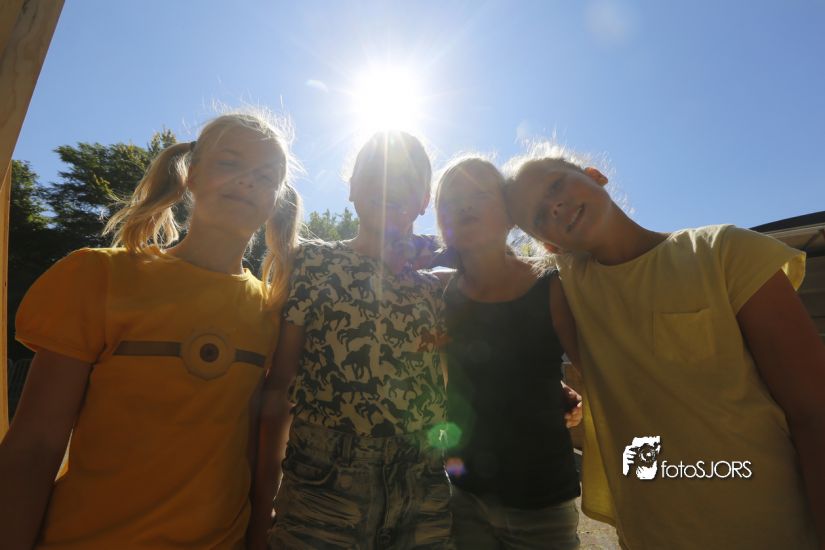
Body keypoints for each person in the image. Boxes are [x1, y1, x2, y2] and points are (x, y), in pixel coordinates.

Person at [0, 112, 302, 550]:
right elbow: (35, 445)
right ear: (191, 175)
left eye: (267, 175)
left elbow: (260, 455)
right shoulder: (98, 277)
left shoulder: (273, 313)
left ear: (276, 199)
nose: (249, 180)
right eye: (230, 163)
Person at [503, 144, 825, 549]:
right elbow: (484, 268)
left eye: (555, 185)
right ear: (548, 245)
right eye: (537, 216)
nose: (554, 205)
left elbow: (814, 410)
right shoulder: (568, 290)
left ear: (594, 175)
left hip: (772, 532)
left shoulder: (724, 252)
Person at [251, 131, 453, 549]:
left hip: (421, 490)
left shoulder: (436, 288)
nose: (390, 185)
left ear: (424, 200)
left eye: (407, 178)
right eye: (375, 173)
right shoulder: (314, 262)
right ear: (351, 188)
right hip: (323, 489)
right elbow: (280, 386)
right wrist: (260, 507)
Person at [434, 156, 582, 549]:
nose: (465, 205)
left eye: (479, 194)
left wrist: (563, 393)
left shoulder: (551, 284)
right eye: (451, 200)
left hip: (542, 500)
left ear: (510, 215)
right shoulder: (440, 295)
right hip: (465, 494)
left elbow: (595, 368)